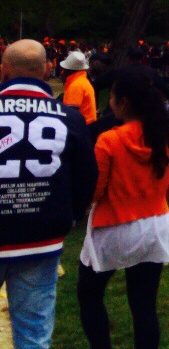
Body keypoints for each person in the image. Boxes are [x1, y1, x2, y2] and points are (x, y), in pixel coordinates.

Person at [0, 40, 97, 349]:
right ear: (46, 70)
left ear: (3, 71)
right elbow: (87, 175)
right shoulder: (69, 117)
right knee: (33, 334)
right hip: (42, 235)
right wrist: (71, 214)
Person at [77, 66, 169, 349]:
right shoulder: (167, 135)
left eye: (111, 96)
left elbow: (95, 190)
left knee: (89, 294)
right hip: (156, 226)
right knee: (144, 305)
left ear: (122, 102)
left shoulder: (110, 139)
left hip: (115, 226)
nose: (109, 102)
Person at [61, 49, 98, 125]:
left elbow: (70, 116)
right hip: (88, 126)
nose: (63, 71)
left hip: (82, 127)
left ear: (69, 70)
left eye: (64, 69)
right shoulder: (82, 81)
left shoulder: (76, 86)